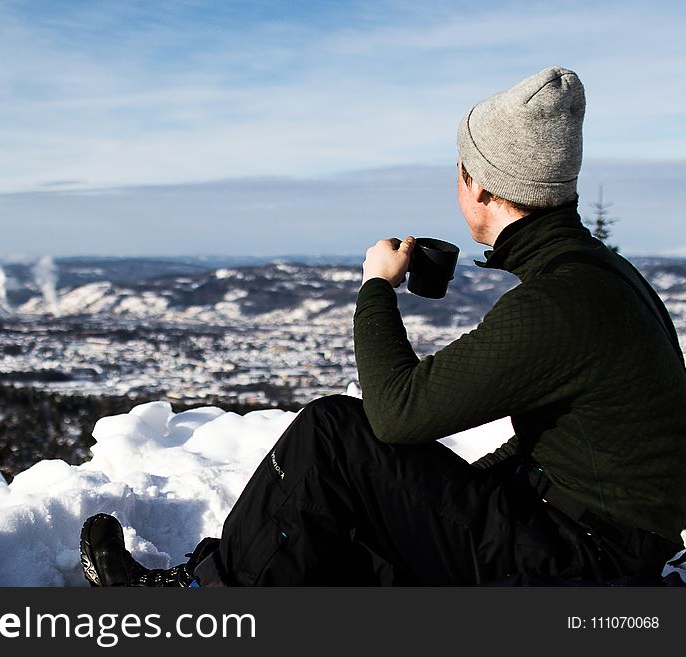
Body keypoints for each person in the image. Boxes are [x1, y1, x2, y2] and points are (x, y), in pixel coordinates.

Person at [79, 66, 686, 587]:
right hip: (596, 539)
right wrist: (427, 496)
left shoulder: (561, 303)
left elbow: (396, 412)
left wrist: (377, 287)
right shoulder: (603, 278)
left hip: (584, 563)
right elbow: (562, 445)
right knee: (370, 501)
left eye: (461, 169)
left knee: (334, 432)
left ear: (480, 186)